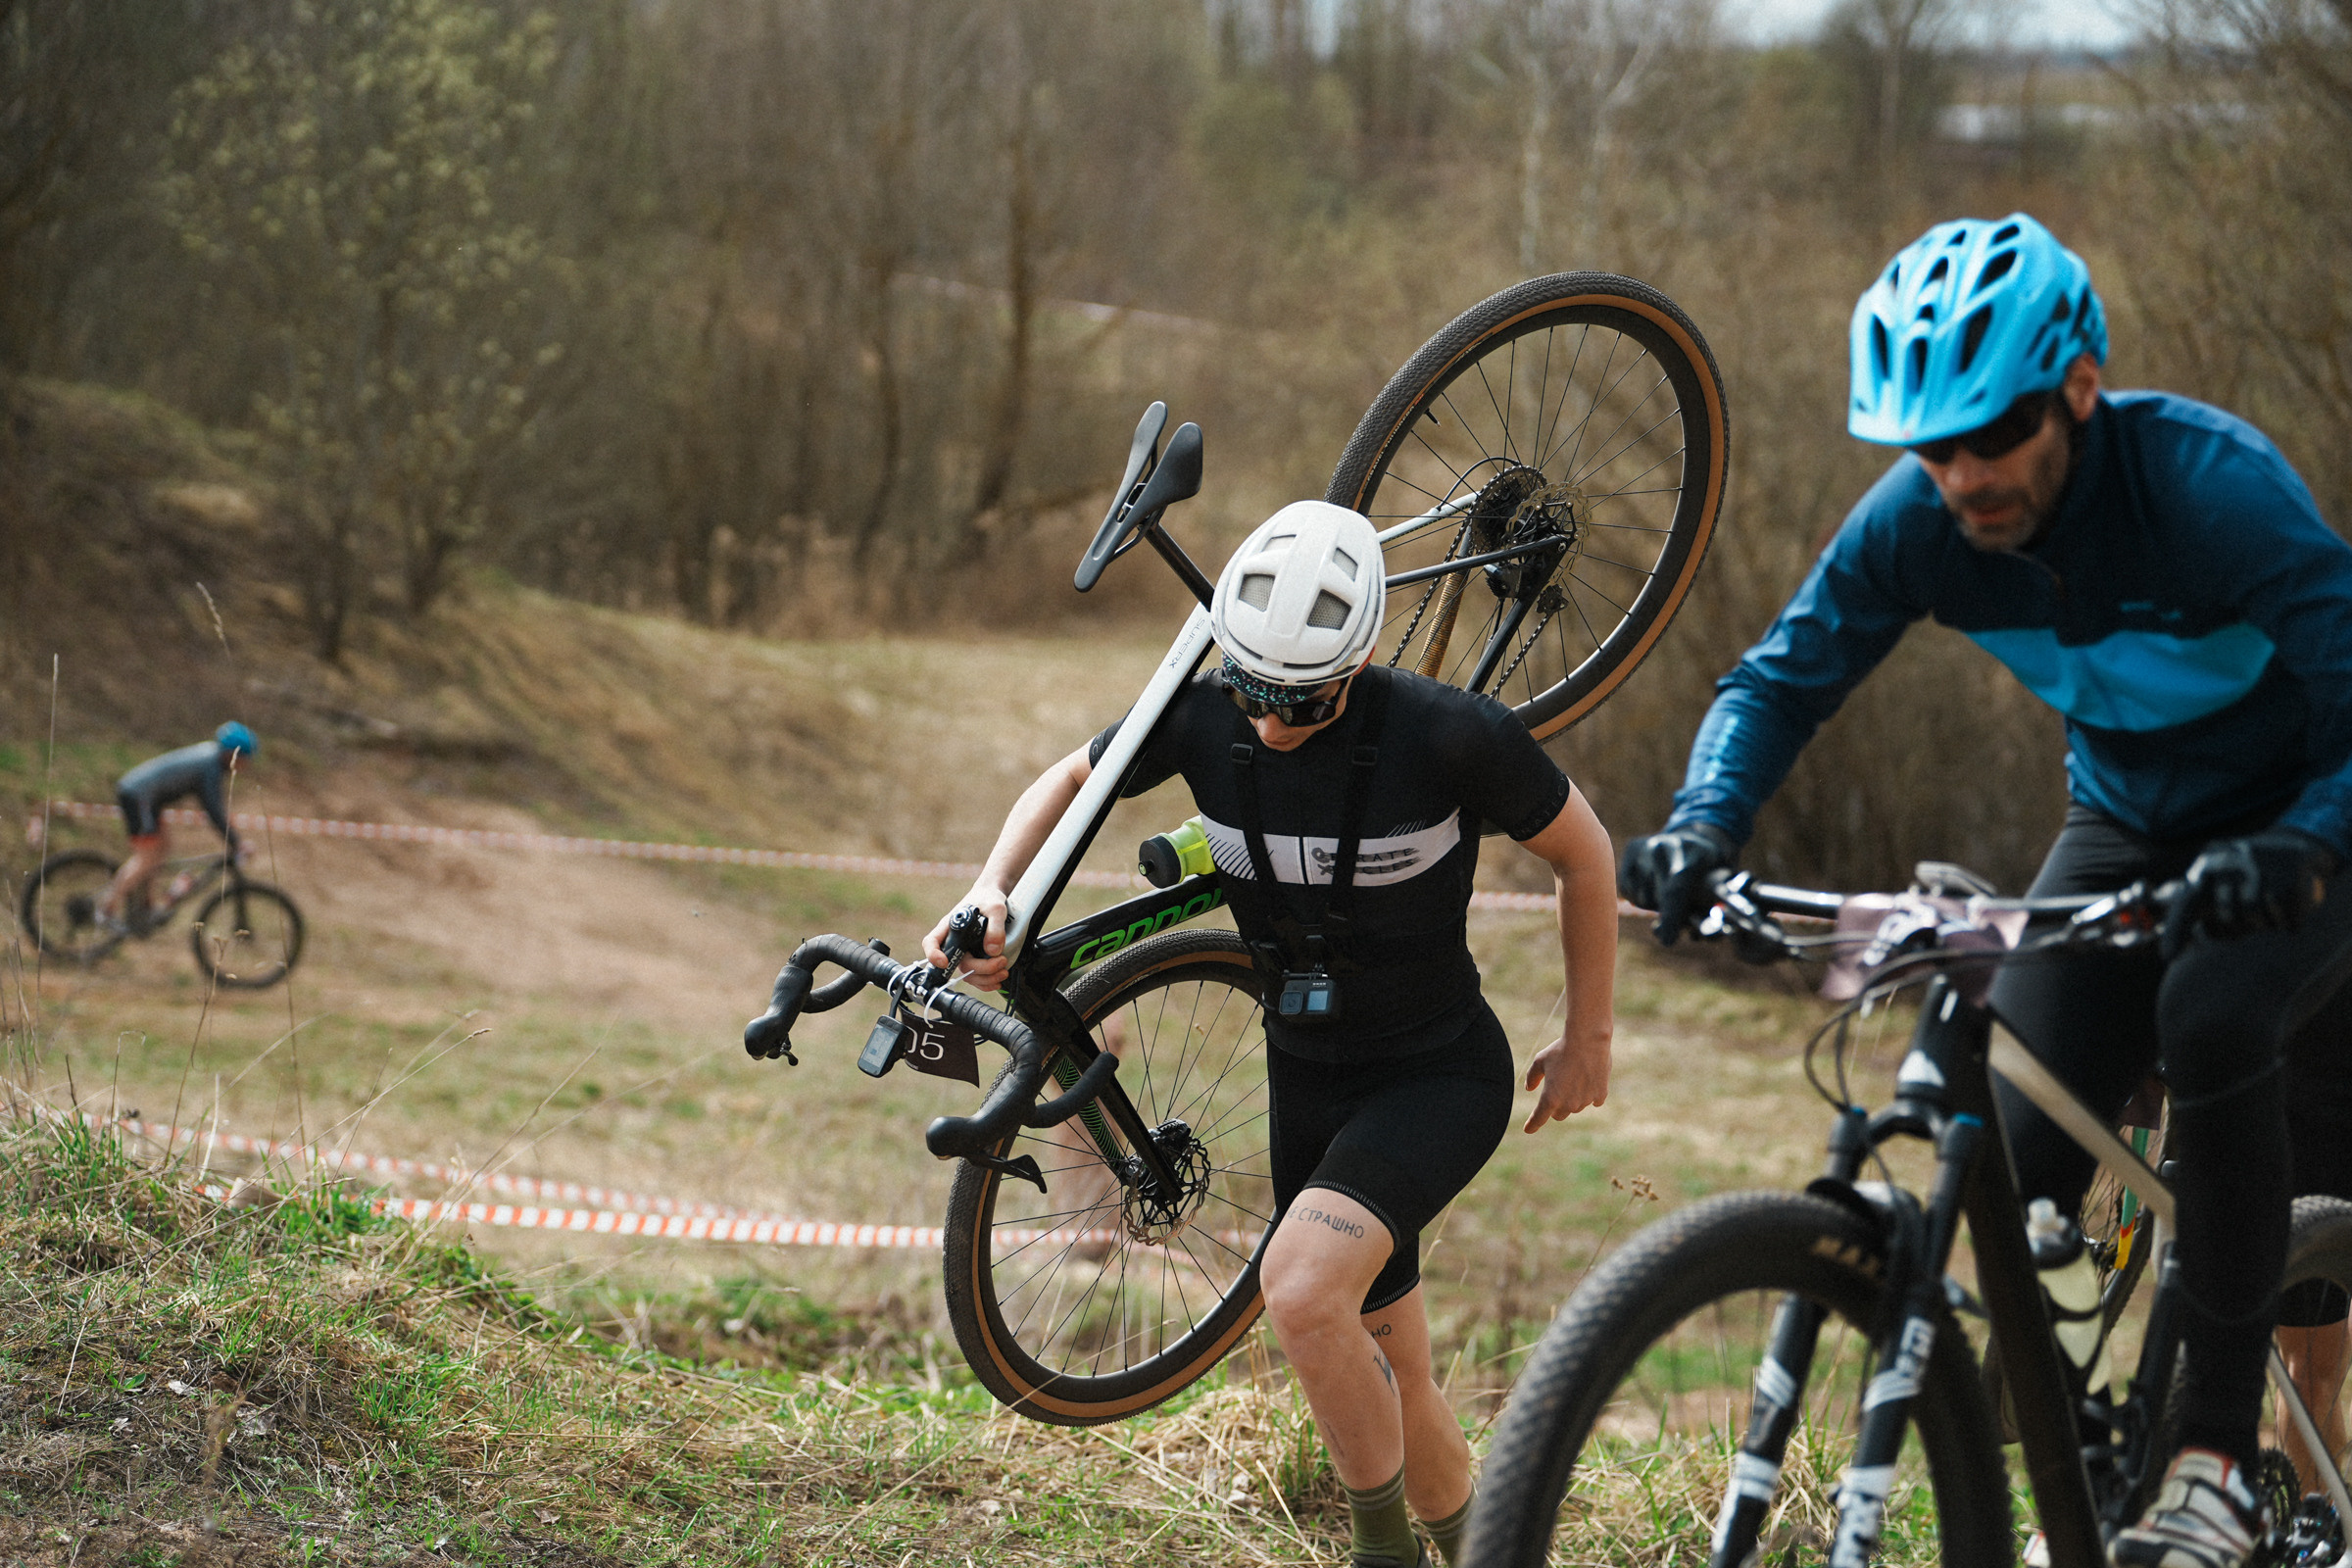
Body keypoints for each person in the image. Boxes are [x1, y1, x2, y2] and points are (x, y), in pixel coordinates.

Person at [1617, 212, 2352, 1568]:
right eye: (1932, 445)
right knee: (2016, 1146)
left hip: (2305, 818)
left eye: (1996, 431)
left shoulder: (2212, 491)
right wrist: (1700, 827)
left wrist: (2306, 840)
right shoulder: (1920, 526)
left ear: (2079, 387)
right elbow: (1778, 681)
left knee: (2211, 1016)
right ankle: (2081, 1455)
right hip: (2128, 820)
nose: (1965, 474)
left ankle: (2212, 1466)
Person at [925, 501, 1619, 1568]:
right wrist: (992, 887)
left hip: (1438, 1076)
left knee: (1296, 1291)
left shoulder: (1449, 734)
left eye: (1297, 699)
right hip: (1306, 1077)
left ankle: (1378, 1554)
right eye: (1249, 688)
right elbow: (1070, 779)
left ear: (1359, 662)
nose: (1267, 719)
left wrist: (1588, 1038)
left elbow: (1586, 853)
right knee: (1395, 1368)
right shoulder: (1206, 717)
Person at [98, 721, 257, 931]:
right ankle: (105, 909)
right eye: (245, 759)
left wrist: (231, 834)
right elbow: (212, 808)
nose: (245, 765)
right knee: (147, 857)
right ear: (233, 754)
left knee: (163, 848)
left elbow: (215, 807)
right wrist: (236, 842)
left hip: (149, 799)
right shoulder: (210, 766)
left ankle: (146, 906)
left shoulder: (211, 758)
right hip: (139, 797)